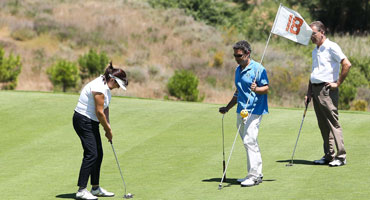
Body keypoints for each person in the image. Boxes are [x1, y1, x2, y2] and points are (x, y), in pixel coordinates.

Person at [73, 62, 128, 200]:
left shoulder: (106, 87)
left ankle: (95, 188)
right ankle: (81, 190)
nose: (117, 88)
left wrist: (108, 127)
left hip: (91, 121)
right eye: (117, 85)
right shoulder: (99, 88)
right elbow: (99, 112)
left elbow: (105, 108)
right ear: (113, 80)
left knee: (99, 153)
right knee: (91, 154)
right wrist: (107, 129)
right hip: (83, 120)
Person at [219, 40, 269, 187]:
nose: (237, 58)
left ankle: (253, 176)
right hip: (241, 109)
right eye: (235, 55)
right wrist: (227, 108)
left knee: (249, 140)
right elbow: (238, 92)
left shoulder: (258, 69)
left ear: (248, 54)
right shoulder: (237, 70)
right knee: (249, 142)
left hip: (254, 109)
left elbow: (265, 88)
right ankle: (256, 173)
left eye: (239, 55)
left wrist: (256, 89)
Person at [305, 21, 351, 167]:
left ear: (322, 32)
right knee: (323, 124)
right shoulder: (315, 51)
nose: (311, 37)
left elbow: (346, 64)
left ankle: (341, 156)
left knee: (333, 123)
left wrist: (337, 83)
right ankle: (329, 155)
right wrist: (309, 92)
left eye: (313, 33)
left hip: (327, 90)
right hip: (316, 89)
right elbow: (313, 73)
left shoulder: (332, 47)